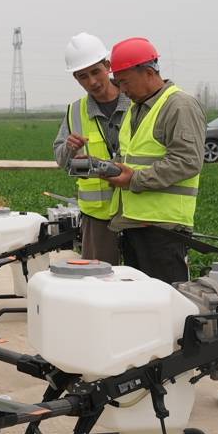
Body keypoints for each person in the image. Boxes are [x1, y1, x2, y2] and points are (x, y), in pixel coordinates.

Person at [104, 37, 205, 283]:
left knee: (166, 298)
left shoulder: (179, 105)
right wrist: (109, 169)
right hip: (134, 224)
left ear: (149, 73)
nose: (122, 89)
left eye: (125, 81)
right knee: (141, 299)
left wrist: (135, 179)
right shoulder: (135, 108)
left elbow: (187, 161)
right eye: (118, 83)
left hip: (164, 229)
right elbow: (131, 157)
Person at [53, 32, 131, 264]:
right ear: (76, 78)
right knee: (98, 279)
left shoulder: (136, 102)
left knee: (141, 280)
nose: (92, 82)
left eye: (96, 72)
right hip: (97, 218)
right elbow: (61, 160)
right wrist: (69, 148)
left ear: (107, 66)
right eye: (83, 76)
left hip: (138, 211)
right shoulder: (75, 111)